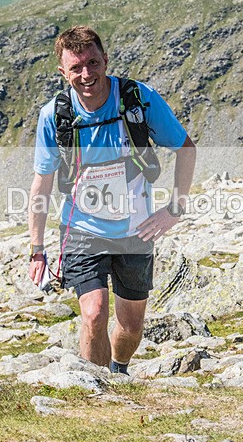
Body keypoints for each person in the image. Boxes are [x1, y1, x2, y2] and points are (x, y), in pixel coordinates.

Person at [28, 25, 196, 374]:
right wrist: (37, 250)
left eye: (92, 63)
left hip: (136, 229)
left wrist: (175, 208)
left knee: (132, 325)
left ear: (105, 60)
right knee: (93, 314)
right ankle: (95, 390)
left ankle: (118, 369)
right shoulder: (54, 116)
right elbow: (42, 185)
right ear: (63, 72)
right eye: (76, 68)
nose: (86, 74)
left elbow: (185, 148)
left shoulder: (137, 99)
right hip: (81, 228)